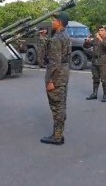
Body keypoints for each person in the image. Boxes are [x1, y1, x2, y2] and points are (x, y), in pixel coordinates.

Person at [41, 12, 71, 145]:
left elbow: (54, 62)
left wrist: (51, 81)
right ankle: (59, 133)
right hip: (63, 75)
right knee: (61, 104)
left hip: (57, 77)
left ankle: (57, 137)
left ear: (59, 22)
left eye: (53, 21)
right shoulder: (65, 35)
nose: (52, 23)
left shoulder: (57, 38)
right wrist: (44, 38)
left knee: (57, 106)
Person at [84, 25, 106, 102]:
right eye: (99, 30)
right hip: (95, 61)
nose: (100, 32)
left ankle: (105, 95)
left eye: (102, 30)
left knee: (104, 80)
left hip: (103, 62)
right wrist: (87, 41)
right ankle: (94, 94)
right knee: (95, 78)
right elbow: (86, 46)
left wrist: (100, 39)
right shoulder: (95, 40)